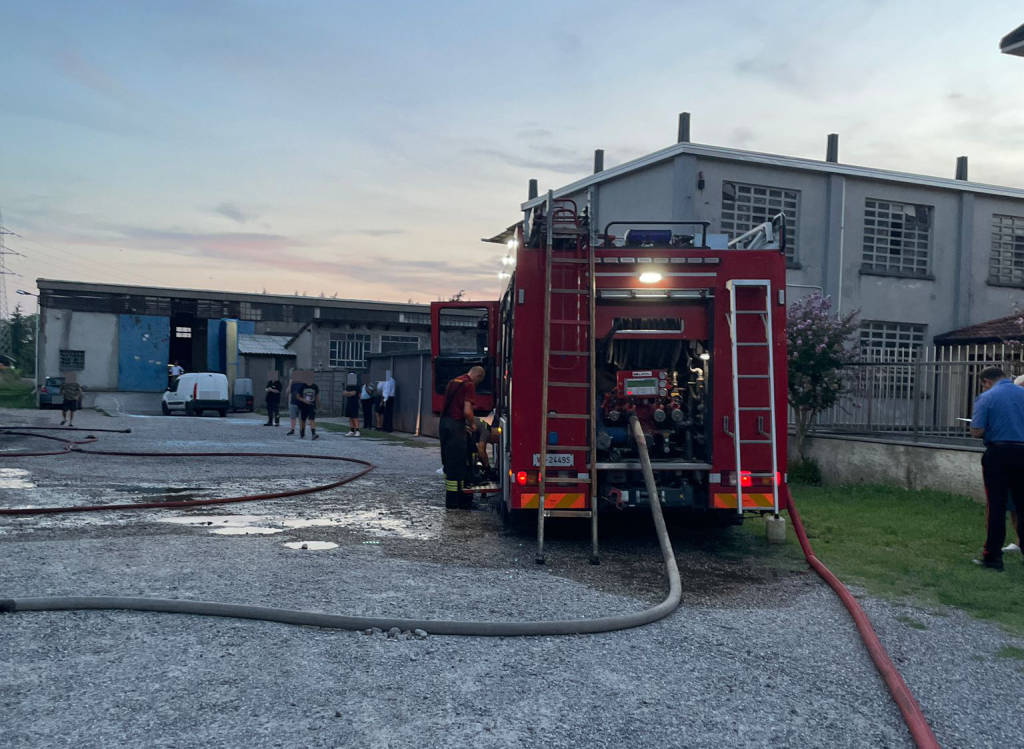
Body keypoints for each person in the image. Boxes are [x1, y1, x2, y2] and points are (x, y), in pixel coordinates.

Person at [969, 366, 1024, 571]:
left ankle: (993, 557)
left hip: (999, 454)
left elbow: (977, 430)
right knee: (1022, 505)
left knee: (997, 506)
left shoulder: (987, 397)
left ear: (986, 381)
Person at [439, 366, 485, 510]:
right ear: (478, 376)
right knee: (460, 463)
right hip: (455, 427)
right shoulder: (469, 384)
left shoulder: (454, 381)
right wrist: (472, 425)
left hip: (445, 424)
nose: (477, 385)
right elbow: (467, 411)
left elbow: (451, 406)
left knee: (449, 461)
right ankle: (460, 502)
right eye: (479, 381)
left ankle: (451, 500)